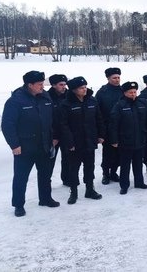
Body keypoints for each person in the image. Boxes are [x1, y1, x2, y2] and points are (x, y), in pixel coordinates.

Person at [2, 71, 60, 217]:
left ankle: (45, 199)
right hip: (24, 147)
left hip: (44, 144)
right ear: (30, 85)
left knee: (45, 175)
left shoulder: (45, 97)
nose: (43, 86)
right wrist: (14, 145)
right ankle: (18, 205)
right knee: (21, 177)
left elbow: (53, 119)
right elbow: (8, 125)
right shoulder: (16, 101)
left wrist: (54, 137)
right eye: (40, 84)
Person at [59, 76, 104, 204]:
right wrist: (69, 142)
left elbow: (99, 119)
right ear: (73, 90)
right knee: (74, 169)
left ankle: (90, 190)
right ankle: (73, 192)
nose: (84, 90)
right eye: (81, 88)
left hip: (90, 140)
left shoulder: (92, 101)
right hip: (75, 143)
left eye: (85, 87)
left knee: (89, 167)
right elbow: (63, 125)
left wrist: (101, 135)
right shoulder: (66, 104)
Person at [109, 81, 147, 195]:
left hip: (140, 139)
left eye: (135, 92)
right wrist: (114, 140)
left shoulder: (142, 103)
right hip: (125, 141)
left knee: (138, 163)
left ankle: (139, 182)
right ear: (125, 93)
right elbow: (113, 124)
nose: (133, 94)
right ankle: (124, 185)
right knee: (125, 165)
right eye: (130, 92)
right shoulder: (119, 105)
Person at [95, 67, 123, 185]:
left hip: (122, 128)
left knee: (119, 153)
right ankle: (105, 174)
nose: (117, 80)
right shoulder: (102, 92)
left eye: (118, 77)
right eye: (114, 78)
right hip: (107, 127)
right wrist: (100, 131)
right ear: (108, 78)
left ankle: (114, 172)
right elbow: (97, 113)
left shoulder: (123, 90)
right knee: (108, 153)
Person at [47, 74, 69, 186]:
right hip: (52, 135)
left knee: (67, 158)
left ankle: (66, 179)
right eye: (61, 84)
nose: (64, 87)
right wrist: (53, 136)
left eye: (65, 84)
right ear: (54, 85)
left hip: (66, 133)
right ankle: (46, 181)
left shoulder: (69, 95)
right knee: (49, 160)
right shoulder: (46, 97)